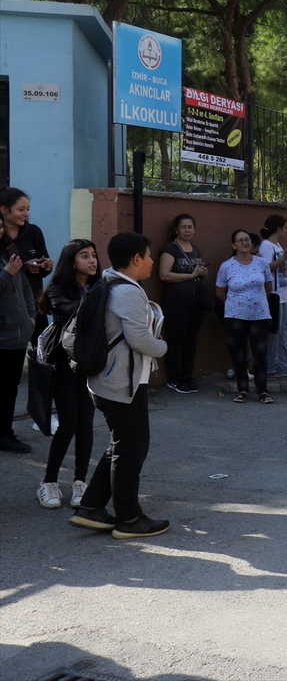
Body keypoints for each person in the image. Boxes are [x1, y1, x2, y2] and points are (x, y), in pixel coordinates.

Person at [69, 232, 171, 538]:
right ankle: (130, 519)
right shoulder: (128, 291)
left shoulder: (109, 280)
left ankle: (91, 507)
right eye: (149, 256)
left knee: (122, 444)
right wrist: (163, 348)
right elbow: (139, 339)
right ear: (136, 259)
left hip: (107, 380)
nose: (152, 261)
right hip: (120, 384)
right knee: (132, 449)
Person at [35, 240, 102, 508]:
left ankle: (80, 482)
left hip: (90, 363)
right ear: (71, 261)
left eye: (94, 255)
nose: (92, 260)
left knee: (86, 422)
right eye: (84, 256)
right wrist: (99, 306)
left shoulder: (99, 286)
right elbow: (67, 309)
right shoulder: (57, 288)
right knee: (69, 422)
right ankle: (49, 482)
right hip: (64, 363)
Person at [215, 230, 274, 404]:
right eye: (240, 241)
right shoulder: (226, 266)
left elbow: (268, 287)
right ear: (233, 245)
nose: (245, 243)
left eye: (247, 240)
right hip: (235, 316)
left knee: (260, 354)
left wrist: (257, 302)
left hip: (260, 315)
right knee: (238, 354)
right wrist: (236, 302)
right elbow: (219, 291)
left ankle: (263, 391)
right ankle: (242, 390)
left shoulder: (261, 263)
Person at [158, 214, 208, 393]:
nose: (187, 230)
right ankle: (175, 378)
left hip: (194, 299)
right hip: (176, 299)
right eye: (183, 227)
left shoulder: (195, 249)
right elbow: (164, 275)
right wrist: (191, 276)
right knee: (177, 339)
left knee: (191, 340)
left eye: (190, 227)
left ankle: (188, 375)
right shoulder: (170, 249)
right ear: (176, 230)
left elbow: (199, 272)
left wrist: (202, 273)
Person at [1, 187, 53, 342]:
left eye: (27, 209)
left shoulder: (33, 232)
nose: (26, 214)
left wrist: (44, 266)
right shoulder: (1, 236)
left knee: (40, 351)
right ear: (4, 210)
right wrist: (24, 266)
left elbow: (44, 267)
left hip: (34, 302)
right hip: (7, 305)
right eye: (21, 209)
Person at [0, 226, 35, 454]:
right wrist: (6, 273)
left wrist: (31, 317)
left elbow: (25, 289)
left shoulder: (7, 253)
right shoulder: (7, 264)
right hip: (2, 336)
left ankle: (5, 432)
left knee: (9, 387)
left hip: (18, 335)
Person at [259, 214, 287, 377]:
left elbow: (282, 265)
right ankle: (271, 366)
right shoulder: (266, 246)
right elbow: (267, 268)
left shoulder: (277, 245)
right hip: (274, 294)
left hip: (283, 294)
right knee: (274, 333)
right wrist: (284, 257)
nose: (286, 231)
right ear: (278, 229)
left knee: (284, 330)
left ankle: (283, 364)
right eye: (285, 227)